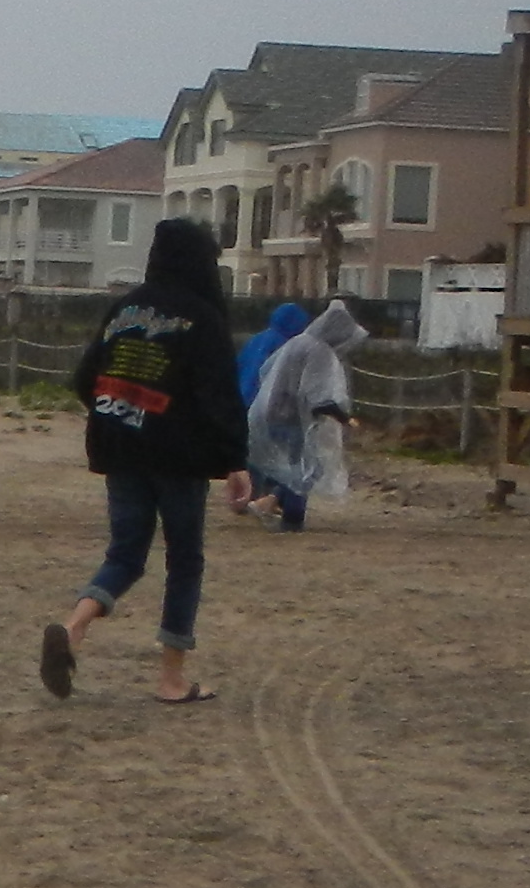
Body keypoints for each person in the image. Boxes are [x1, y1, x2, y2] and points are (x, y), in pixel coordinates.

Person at [42, 215, 251, 704]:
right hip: (179, 457)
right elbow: (218, 395)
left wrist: (122, 414)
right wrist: (236, 459)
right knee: (184, 560)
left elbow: (84, 380)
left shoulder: (125, 308)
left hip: (119, 447)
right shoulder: (203, 315)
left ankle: (73, 627)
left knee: (125, 554)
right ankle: (171, 679)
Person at [239, 300, 367, 531]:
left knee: (288, 465)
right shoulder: (318, 352)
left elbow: (263, 371)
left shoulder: (298, 343)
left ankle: (267, 500)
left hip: (270, 411)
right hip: (291, 417)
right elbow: (319, 397)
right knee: (308, 465)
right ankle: (285, 513)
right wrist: (343, 417)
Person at [223, 301, 304, 510]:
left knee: (253, 453)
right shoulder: (289, 346)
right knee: (281, 455)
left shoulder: (256, 340)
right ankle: (270, 499)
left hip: (245, 403)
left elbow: (238, 369)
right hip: (274, 409)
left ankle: (247, 495)